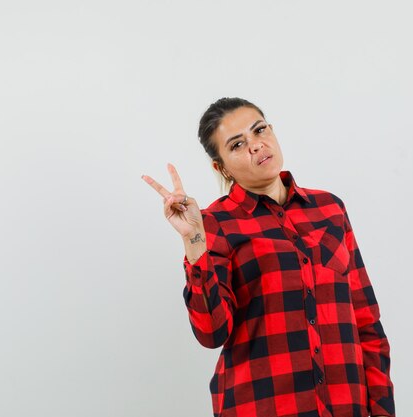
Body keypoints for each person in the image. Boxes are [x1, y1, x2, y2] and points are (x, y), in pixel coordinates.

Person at [141, 97, 395, 417]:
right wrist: (194, 240)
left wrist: (383, 409)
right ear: (221, 167)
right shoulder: (213, 225)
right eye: (237, 144)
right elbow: (211, 333)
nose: (256, 146)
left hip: (346, 406)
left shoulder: (330, 209)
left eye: (259, 130)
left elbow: (367, 323)